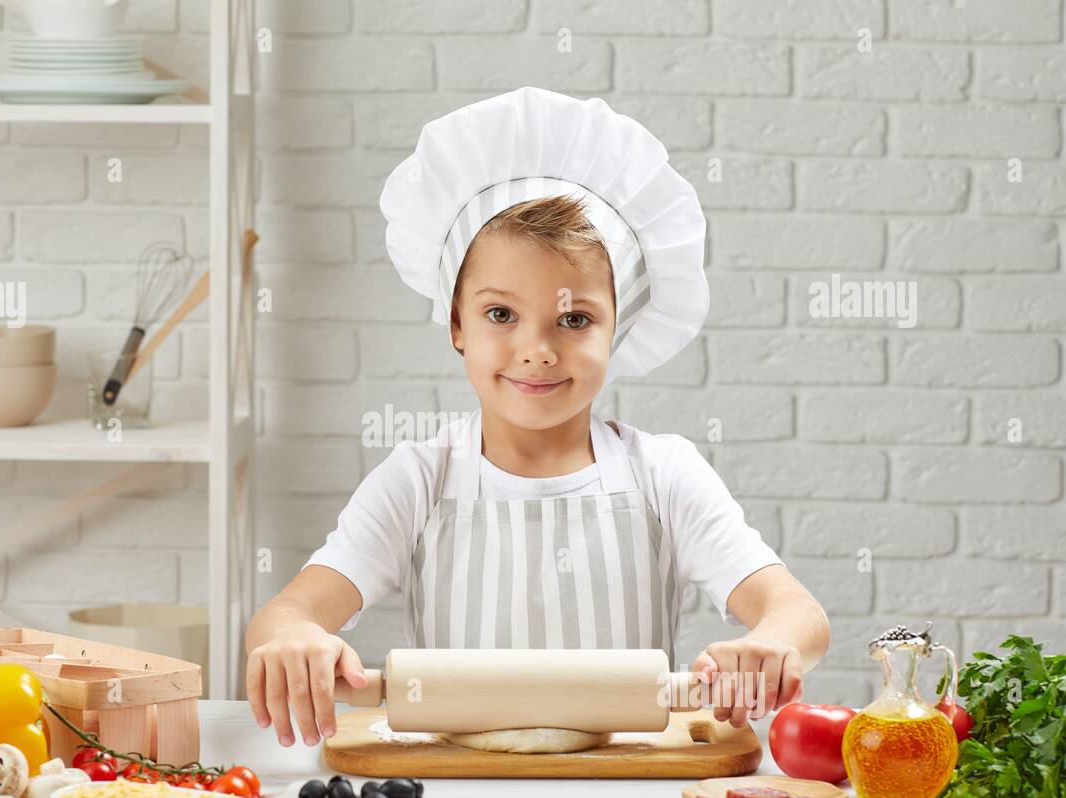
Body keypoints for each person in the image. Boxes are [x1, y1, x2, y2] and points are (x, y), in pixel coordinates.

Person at [246, 87, 830, 747]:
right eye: (501, 314)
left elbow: (798, 613)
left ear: (618, 331)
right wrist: (294, 637)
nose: (537, 350)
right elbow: (285, 612)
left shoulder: (661, 473)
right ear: (457, 324)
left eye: (575, 319)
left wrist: (770, 643)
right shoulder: (422, 478)